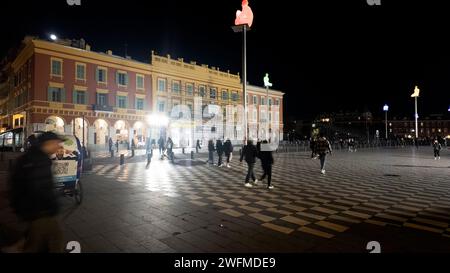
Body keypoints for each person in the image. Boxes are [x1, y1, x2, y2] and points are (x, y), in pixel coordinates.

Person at [8, 132, 64, 253]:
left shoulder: (33, 157)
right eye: (56, 143)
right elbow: (39, 188)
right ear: (48, 143)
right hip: (41, 212)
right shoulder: (39, 160)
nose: (58, 147)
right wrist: (52, 207)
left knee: (39, 242)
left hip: (34, 212)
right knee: (52, 242)